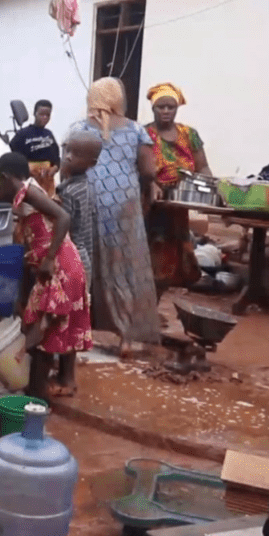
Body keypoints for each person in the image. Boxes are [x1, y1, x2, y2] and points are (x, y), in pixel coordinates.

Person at [67, 77, 161, 357]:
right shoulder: (135, 130)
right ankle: (125, 339)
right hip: (124, 208)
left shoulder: (79, 130)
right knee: (123, 272)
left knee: (85, 266)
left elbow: (66, 169)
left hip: (87, 202)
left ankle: (78, 333)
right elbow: (148, 170)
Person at [0, 152, 91, 399]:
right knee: (56, 325)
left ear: (6, 177)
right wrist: (23, 294)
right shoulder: (25, 197)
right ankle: (58, 384)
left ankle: (35, 398)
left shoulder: (28, 192)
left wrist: (48, 259)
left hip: (59, 266)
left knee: (41, 334)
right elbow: (30, 249)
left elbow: (64, 217)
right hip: (59, 266)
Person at [144, 82, 207, 300]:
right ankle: (149, 310)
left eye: (171, 107)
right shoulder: (144, 135)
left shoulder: (189, 134)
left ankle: (155, 307)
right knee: (154, 259)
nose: (166, 111)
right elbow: (137, 168)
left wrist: (210, 188)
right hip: (153, 207)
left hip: (179, 206)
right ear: (153, 108)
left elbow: (202, 167)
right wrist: (150, 182)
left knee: (178, 259)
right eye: (161, 107)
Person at [56, 130, 102, 293]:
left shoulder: (70, 193)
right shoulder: (88, 186)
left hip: (72, 258)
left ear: (92, 163)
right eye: (67, 151)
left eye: (76, 154)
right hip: (85, 257)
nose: (68, 157)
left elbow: (63, 229)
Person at [9, 100, 62, 196]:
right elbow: (13, 156)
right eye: (41, 114)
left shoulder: (49, 134)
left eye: (47, 115)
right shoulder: (23, 134)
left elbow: (57, 159)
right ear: (34, 114)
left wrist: (54, 169)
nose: (45, 117)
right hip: (30, 181)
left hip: (47, 182)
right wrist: (28, 169)